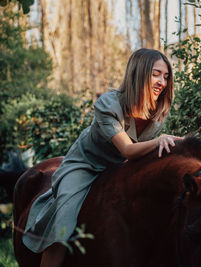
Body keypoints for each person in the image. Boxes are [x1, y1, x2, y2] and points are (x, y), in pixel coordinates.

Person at [22, 48, 181, 267]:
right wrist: (159, 141)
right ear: (139, 72)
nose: (162, 82)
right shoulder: (109, 104)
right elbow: (127, 149)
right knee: (63, 224)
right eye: (156, 74)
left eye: (166, 76)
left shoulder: (156, 115)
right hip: (85, 165)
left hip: (121, 169)